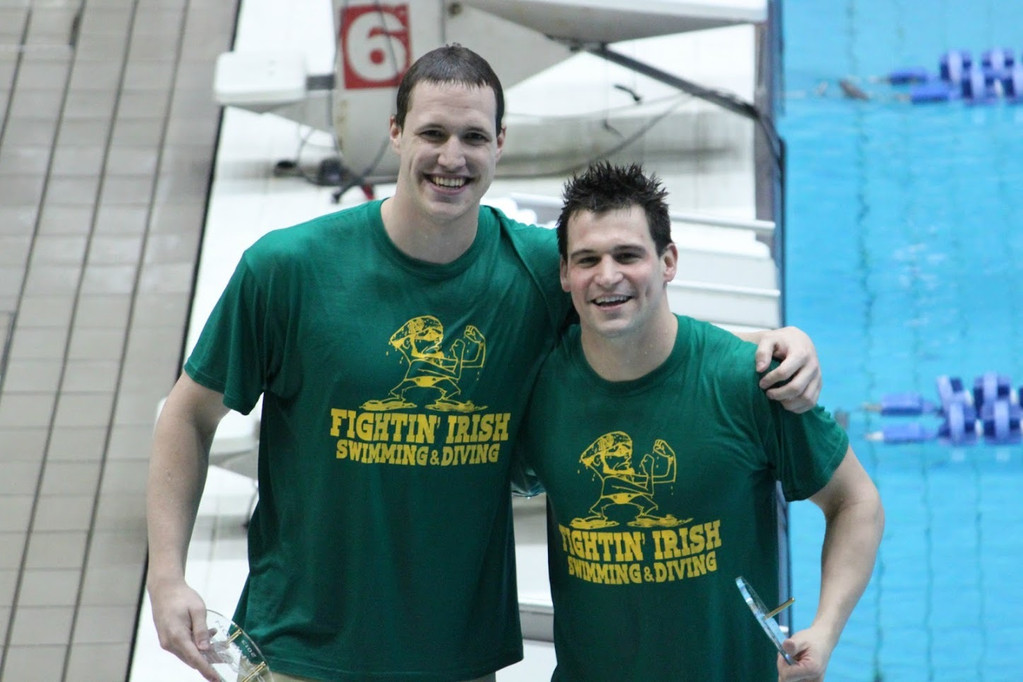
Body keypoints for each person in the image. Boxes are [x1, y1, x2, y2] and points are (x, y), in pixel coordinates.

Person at [146, 45, 825, 682]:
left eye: (473, 137)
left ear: (500, 144)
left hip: (456, 655)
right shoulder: (290, 268)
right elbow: (187, 413)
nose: (452, 157)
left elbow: (640, 313)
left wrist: (773, 343)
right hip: (300, 648)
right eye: (432, 133)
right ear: (395, 133)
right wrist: (168, 577)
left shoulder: (536, 270)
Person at [517, 162, 884, 681]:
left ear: (668, 261)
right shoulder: (538, 389)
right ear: (563, 274)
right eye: (587, 259)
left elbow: (855, 501)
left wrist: (823, 632)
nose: (607, 276)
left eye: (628, 255)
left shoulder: (747, 380)